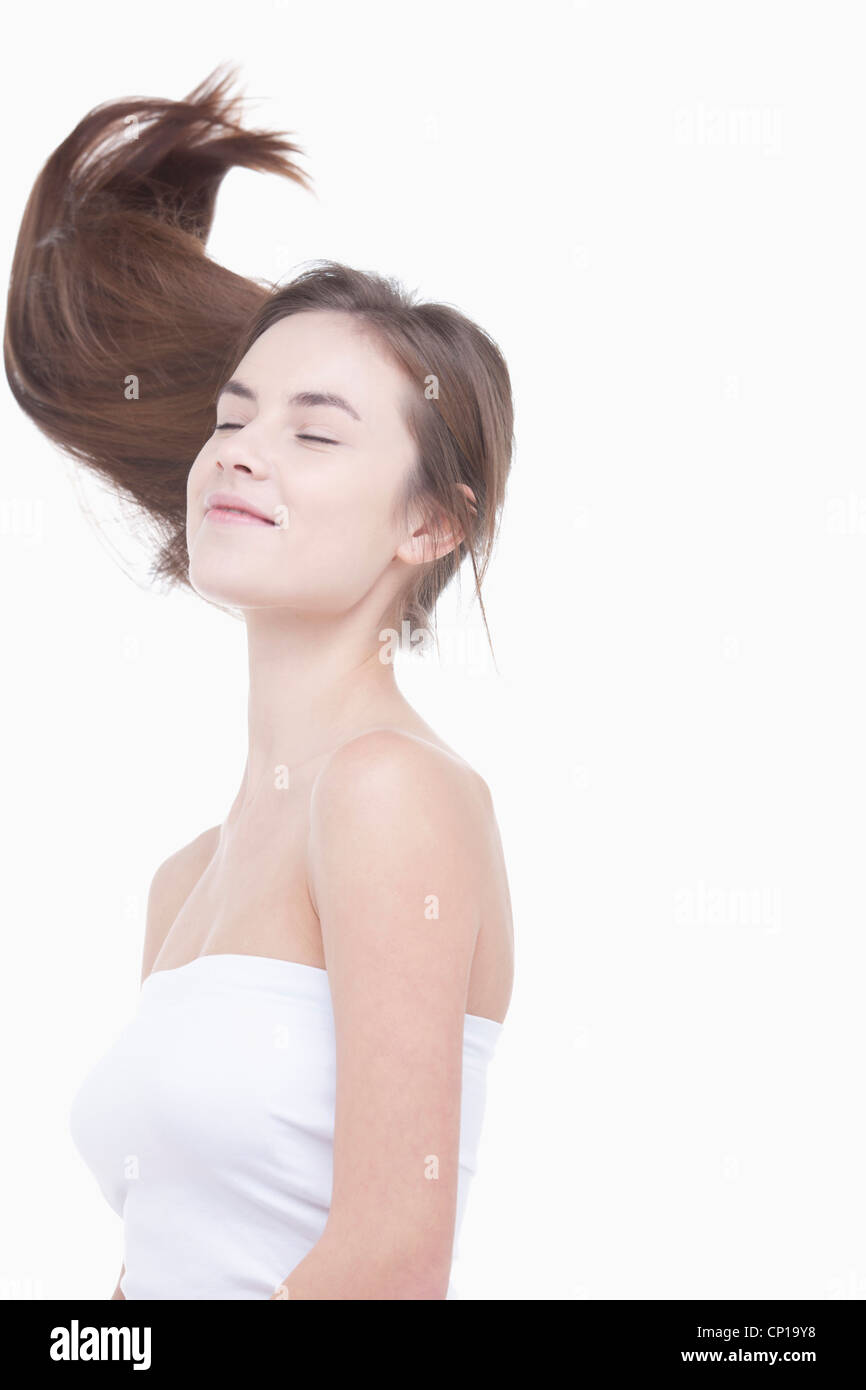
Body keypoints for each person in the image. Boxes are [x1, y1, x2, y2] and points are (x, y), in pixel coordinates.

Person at [5, 65, 515, 1300]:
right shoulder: (183, 878)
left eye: (317, 430)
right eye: (233, 416)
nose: (241, 448)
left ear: (429, 528)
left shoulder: (393, 795)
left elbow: (392, 1260)